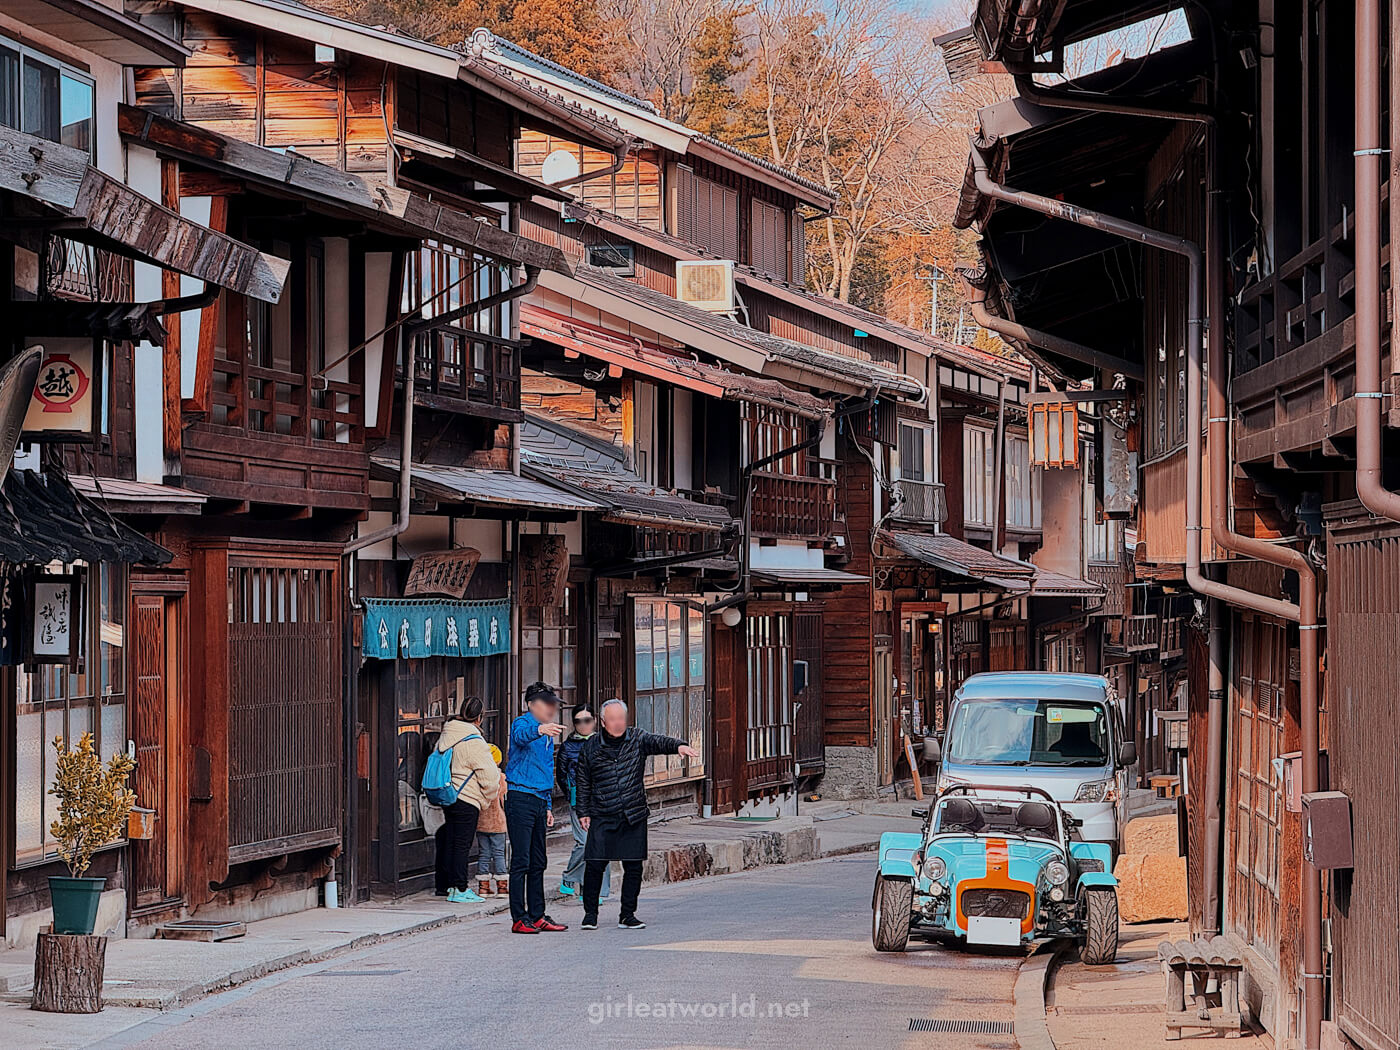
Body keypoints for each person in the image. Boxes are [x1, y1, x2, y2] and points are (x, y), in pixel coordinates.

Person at [575, 699, 699, 930]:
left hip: (633, 813)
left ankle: (627, 914)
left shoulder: (637, 738)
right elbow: (583, 781)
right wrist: (583, 811)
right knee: (594, 865)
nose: (618, 723)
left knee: (633, 867)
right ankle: (590, 914)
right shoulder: (591, 746)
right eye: (612, 719)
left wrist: (679, 746)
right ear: (603, 722)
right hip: (602, 813)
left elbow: (659, 741)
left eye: (621, 718)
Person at [503, 681, 567, 934]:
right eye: (547, 704)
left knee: (539, 860)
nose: (552, 709)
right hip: (520, 797)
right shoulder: (523, 723)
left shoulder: (547, 733)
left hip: (540, 799)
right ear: (531, 704)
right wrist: (540, 729)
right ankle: (519, 917)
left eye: (554, 705)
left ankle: (537, 913)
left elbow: (545, 770)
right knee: (521, 860)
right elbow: (520, 736)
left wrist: (549, 805)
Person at [433, 696, 500, 904]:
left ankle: (446, 886)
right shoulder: (474, 742)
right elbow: (490, 778)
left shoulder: (447, 734)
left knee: (451, 840)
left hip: (449, 795)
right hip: (467, 798)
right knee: (461, 845)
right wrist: (486, 798)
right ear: (479, 718)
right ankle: (460, 888)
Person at [557, 706, 609, 901]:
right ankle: (570, 877)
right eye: (578, 721)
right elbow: (561, 775)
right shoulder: (568, 746)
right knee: (584, 843)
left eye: (587, 720)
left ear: (594, 720)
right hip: (580, 800)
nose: (583, 725)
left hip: (604, 800)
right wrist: (573, 793)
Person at [475, 744, 508, 897]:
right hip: (498, 822)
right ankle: (502, 887)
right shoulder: (500, 778)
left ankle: (483, 887)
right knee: (499, 853)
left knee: (484, 854)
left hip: (481, 822)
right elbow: (504, 799)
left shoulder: (477, 777)